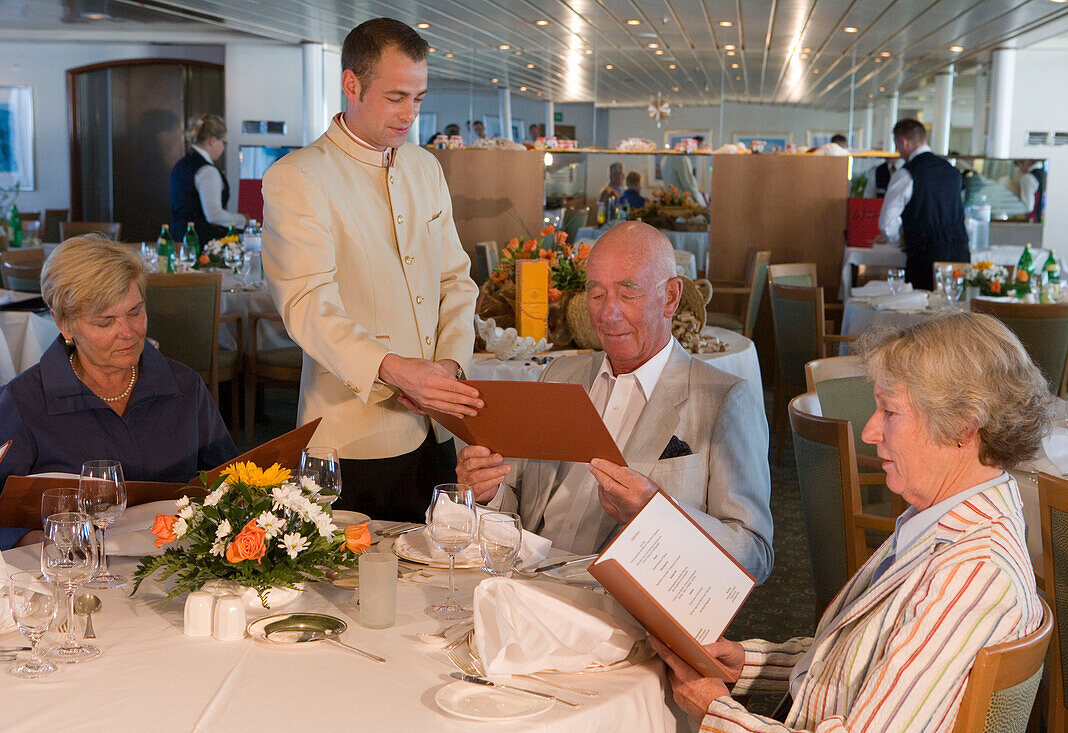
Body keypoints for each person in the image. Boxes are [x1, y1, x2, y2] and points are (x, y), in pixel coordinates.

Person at [653, 311, 1045, 732]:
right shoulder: (941, 520)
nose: (870, 431)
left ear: (963, 428)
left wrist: (716, 712)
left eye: (890, 411)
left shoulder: (971, 575)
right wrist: (748, 663)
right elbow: (865, 660)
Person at [456, 222, 773, 581]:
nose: (607, 314)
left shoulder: (723, 398)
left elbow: (754, 556)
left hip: (624, 610)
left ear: (671, 297)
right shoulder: (561, 375)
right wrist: (490, 493)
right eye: (596, 295)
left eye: (627, 294)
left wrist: (657, 513)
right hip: (525, 585)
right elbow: (523, 506)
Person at [262, 18, 480, 522]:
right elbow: (307, 304)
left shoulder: (426, 167)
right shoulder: (297, 177)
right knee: (352, 594)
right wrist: (398, 372)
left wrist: (448, 367)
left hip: (439, 428)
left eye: (419, 99)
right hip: (351, 440)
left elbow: (455, 279)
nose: (410, 114)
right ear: (351, 84)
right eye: (396, 97)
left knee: (439, 576)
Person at [0, 236, 237, 549]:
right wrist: (38, 539)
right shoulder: (23, 403)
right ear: (63, 324)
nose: (128, 332)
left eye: (135, 312)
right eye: (105, 321)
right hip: (73, 578)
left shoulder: (184, 387)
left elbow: (229, 484)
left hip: (175, 573)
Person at [873, 119, 969, 290]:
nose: (898, 151)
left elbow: (886, 223)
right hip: (959, 253)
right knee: (957, 310)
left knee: (923, 313)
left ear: (903, 142)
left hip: (925, 255)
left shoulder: (906, 174)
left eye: (897, 145)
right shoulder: (953, 171)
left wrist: (900, 240)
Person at [169, 114, 247, 242]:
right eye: (223, 142)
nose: (223, 148)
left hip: (178, 237)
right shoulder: (207, 171)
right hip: (200, 242)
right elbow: (214, 215)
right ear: (213, 140)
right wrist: (243, 219)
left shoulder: (181, 164)